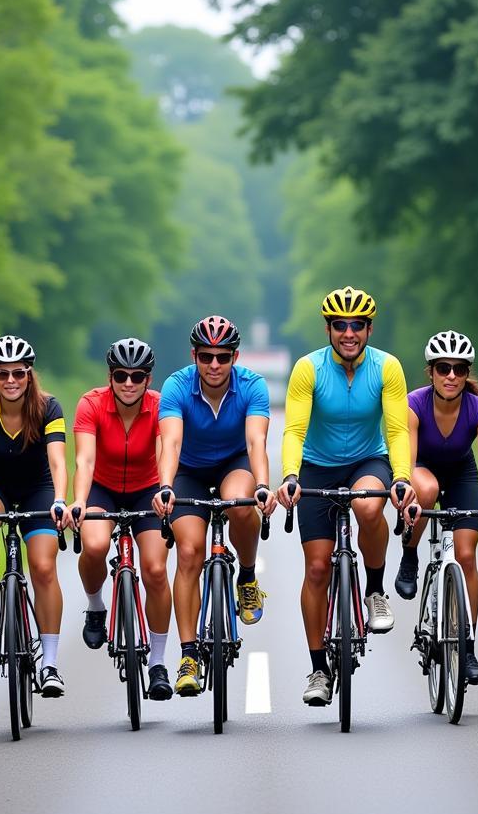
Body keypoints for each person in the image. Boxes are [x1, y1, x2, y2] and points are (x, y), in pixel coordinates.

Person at [276, 286, 415, 707]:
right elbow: (295, 431)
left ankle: (374, 589)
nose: (349, 333)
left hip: (367, 462)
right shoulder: (308, 368)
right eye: (340, 325)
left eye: (357, 325)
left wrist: (403, 476)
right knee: (317, 569)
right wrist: (290, 475)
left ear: (369, 328)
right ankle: (319, 668)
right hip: (318, 466)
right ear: (329, 329)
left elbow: (395, 430)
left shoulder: (387, 367)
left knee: (368, 504)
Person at [153, 315, 274, 698]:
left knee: (241, 505)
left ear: (235, 356)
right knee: (188, 552)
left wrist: (265, 486)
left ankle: (248, 576)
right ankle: (188, 656)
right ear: (195, 356)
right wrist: (166, 487)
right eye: (206, 357)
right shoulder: (176, 385)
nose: (215, 365)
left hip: (233, 462)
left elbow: (256, 442)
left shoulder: (252, 386)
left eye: (223, 357)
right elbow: (170, 443)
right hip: (188, 469)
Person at [396, 329, 478, 684]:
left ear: (467, 374)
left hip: (462, 472)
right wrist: (409, 499)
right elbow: (409, 457)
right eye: (443, 368)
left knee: (466, 556)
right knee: (427, 489)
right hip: (422, 468)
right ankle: (410, 555)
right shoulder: (414, 404)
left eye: (459, 369)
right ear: (430, 371)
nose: (451, 376)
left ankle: (468, 648)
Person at [0, 335, 69, 697]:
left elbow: (57, 460)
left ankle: (49, 664)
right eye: (1, 373)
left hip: (38, 487)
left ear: (29, 373)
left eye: (18, 373)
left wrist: (62, 500)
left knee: (44, 568)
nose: (10, 380)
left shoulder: (49, 407)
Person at [70, 337, 174, 701]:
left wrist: (164, 488)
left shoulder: (161, 406)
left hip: (147, 489)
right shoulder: (91, 404)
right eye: (120, 375)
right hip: (102, 488)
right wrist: (80, 502)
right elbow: (84, 459)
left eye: (137, 376)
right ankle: (96, 607)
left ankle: (158, 662)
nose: (128, 383)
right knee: (95, 545)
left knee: (156, 571)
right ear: (109, 376)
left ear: (148, 379)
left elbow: (165, 452)